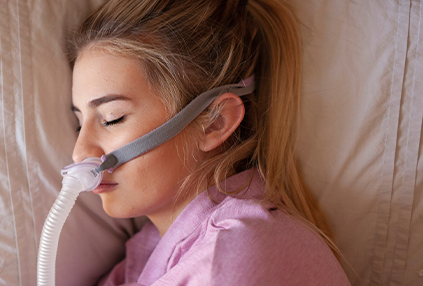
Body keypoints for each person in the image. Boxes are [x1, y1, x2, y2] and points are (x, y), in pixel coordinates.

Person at [68, 0, 350, 284]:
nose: (80, 153)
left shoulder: (231, 259)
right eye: (80, 123)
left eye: (112, 118)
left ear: (215, 122)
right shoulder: (154, 250)